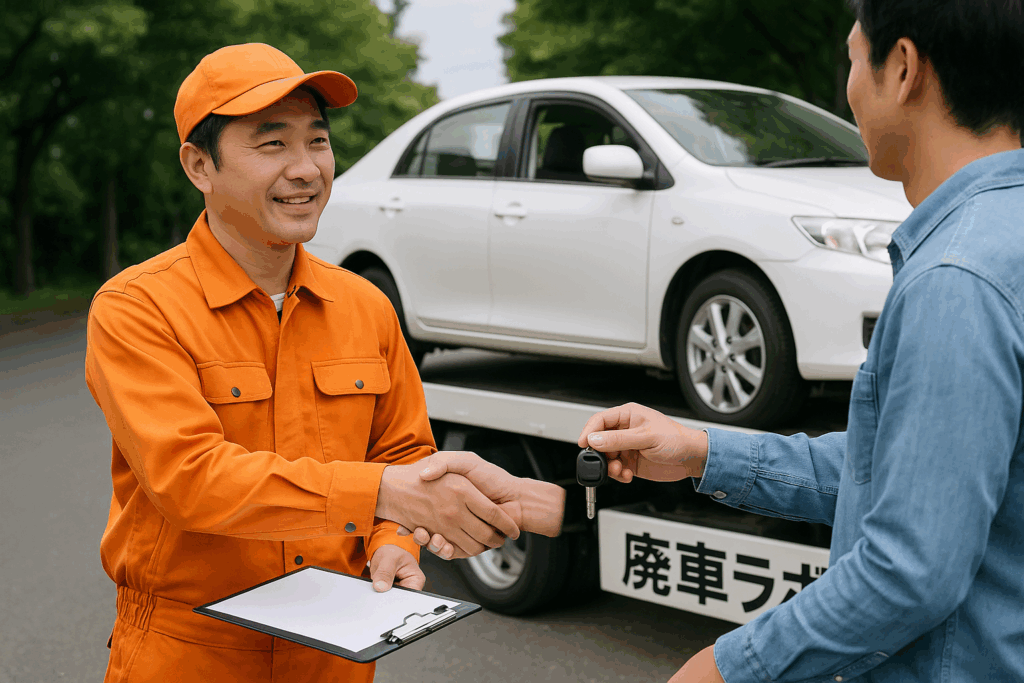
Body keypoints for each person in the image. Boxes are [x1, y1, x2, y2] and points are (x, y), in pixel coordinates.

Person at [567, 3, 1024, 681]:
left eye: (851, 58)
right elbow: (919, 471)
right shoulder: (1002, 237)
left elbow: (908, 573)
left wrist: (723, 668)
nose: (849, 86)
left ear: (902, 70)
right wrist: (701, 451)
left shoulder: (955, 277)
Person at [85, 43, 564, 683]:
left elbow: (402, 455)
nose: (307, 169)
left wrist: (391, 540)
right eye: (271, 144)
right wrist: (384, 495)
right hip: (191, 647)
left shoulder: (365, 305)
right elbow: (189, 479)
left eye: (318, 141)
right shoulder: (138, 308)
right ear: (200, 165)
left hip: (335, 648)